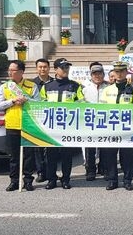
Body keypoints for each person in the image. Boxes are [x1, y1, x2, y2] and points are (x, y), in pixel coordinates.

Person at [40, 58, 84, 190]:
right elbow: (41, 105)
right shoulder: (47, 86)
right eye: (63, 67)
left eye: (67, 67)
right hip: (52, 127)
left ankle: (66, 179)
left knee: (67, 155)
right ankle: (51, 180)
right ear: (55, 69)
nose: (66, 70)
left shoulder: (75, 86)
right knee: (51, 155)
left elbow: (82, 104)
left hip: (68, 126)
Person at [0, 59, 40, 192]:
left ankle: (28, 180)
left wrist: (26, 100)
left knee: (29, 155)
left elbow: (38, 103)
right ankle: (14, 181)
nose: (10, 72)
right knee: (14, 156)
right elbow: (0, 105)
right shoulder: (4, 87)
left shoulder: (31, 86)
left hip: (28, 125)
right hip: (12, 124)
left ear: (21, 72)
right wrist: (12, 101)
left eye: (13, 70)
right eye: (9, 70)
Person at [100, 61, 133, 191]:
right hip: (110, 128)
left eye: (122, 71)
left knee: (127, 156)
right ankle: (112, 180)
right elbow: (101, 110)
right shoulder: (107, 90)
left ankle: (127, 180)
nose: (119, 74)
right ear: (113, 73)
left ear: (126, 72)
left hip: (127, 128)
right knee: (110, 156)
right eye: (117, 71)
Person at [82, 62, 110, 181]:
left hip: (106, 121)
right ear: (91, 75)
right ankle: (90, 170)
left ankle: (103, 168)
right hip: (89, 121)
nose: (97, 76)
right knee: (90, 148)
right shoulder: (84, 87)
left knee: (105, 146)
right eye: (94, 74)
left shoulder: (109, 87)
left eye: (99, 73)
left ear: (103, 74)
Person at [31, 58, 53, 183]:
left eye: (45, 67)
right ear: (36, 68)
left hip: (51, 120)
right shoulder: (32, 84)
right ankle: (40, 172)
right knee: (37, 148)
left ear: (49, 68)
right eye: (40, 67)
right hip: (36, 120)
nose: (42, 69)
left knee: (50, 148)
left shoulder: (54, 83)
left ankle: (51, 172)